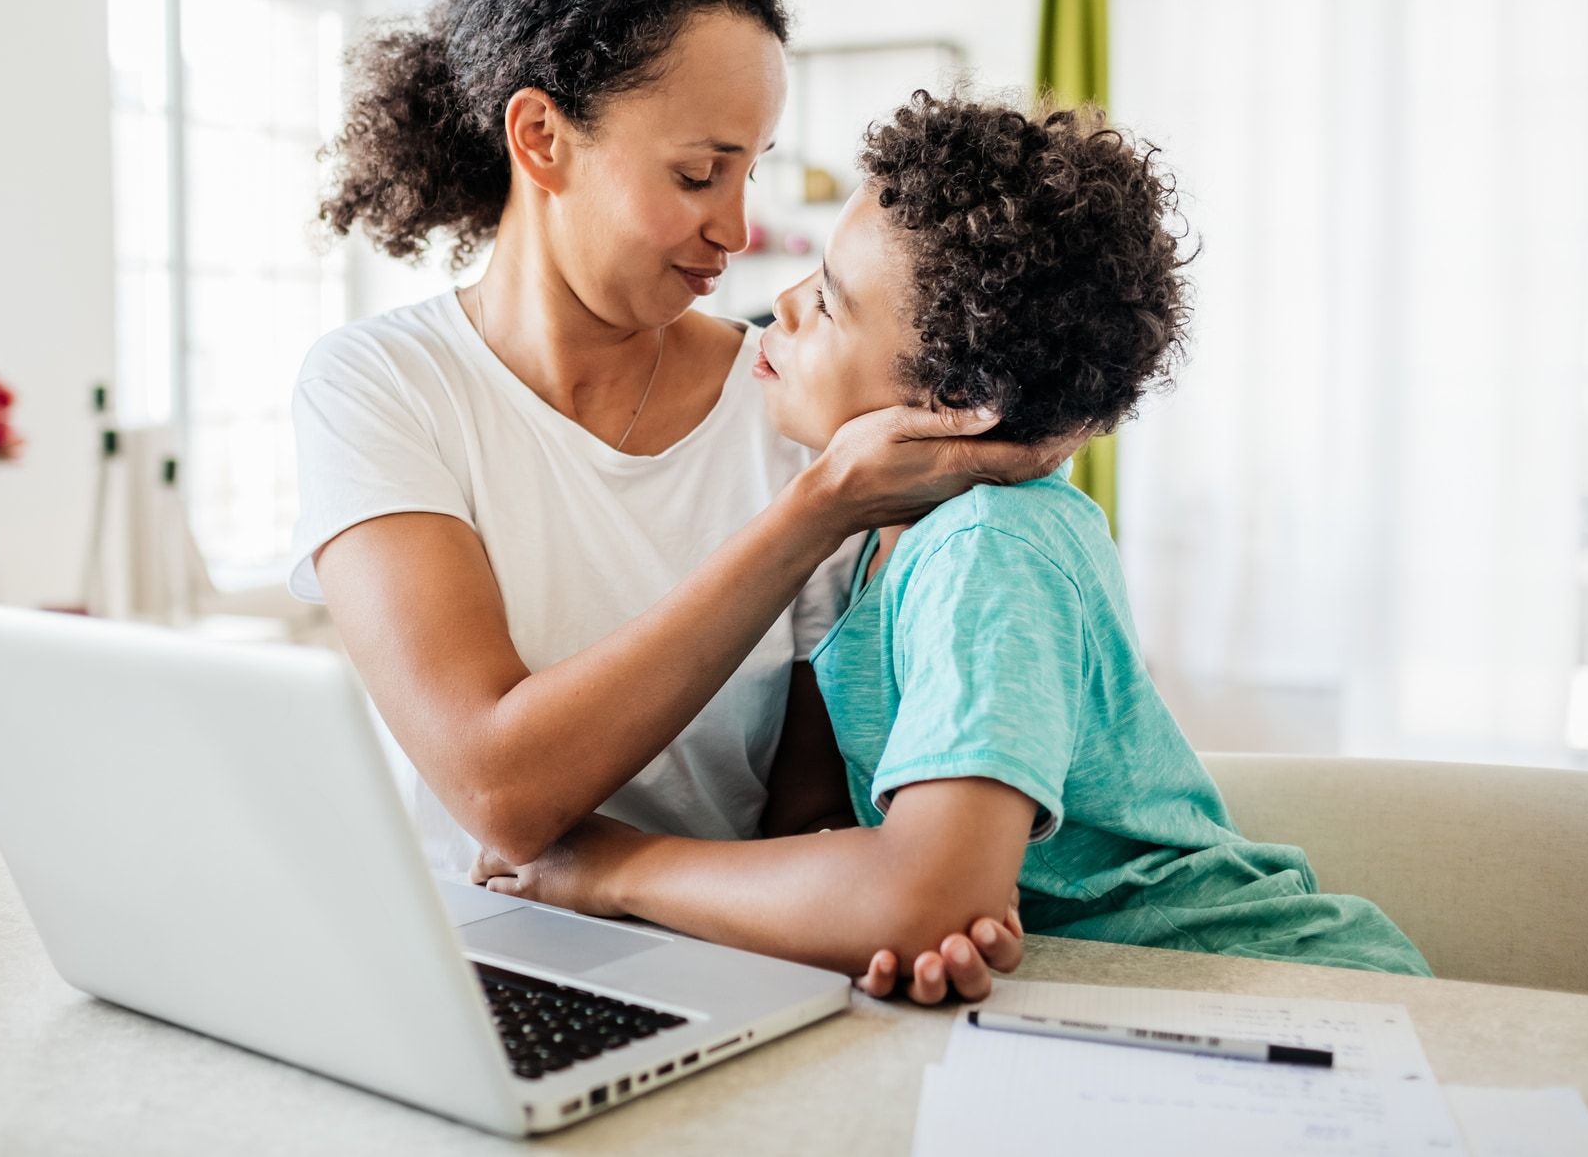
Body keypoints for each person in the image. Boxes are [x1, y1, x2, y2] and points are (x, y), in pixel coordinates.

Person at [291, 0, 1071, 1003]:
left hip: (727, 970)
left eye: (752, 170)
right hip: (462, 964)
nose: (739, 230)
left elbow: (809, 808)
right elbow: (498, 792)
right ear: (542, 139)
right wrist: (809, 518)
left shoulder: (797, 405)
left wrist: (891, 923)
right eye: (700, 173)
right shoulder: (380, 387)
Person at [472, 94, 1432, 979]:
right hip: (1098, 999)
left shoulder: (987, 548)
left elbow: (923, 897)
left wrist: (610, 867)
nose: (786, 306)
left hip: (1273, 994)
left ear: (960, 403)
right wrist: (875, 906)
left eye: (834, 301)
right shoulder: (885, 541)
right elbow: (860, 862)